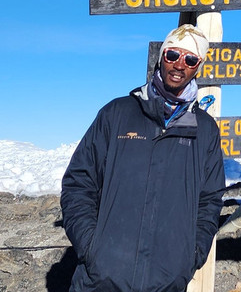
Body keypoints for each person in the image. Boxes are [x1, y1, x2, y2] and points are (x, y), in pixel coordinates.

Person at [61, 24, 227, 292]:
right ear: (161, 56)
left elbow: (209, 200)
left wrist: (189, 257)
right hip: (101, 280)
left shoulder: (205, 130)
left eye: (190, 59)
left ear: (198, 67)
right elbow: (79, 183)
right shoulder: (117, 114)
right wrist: (92, 249)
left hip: (167, 281)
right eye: (173, 55)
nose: (179, 64)